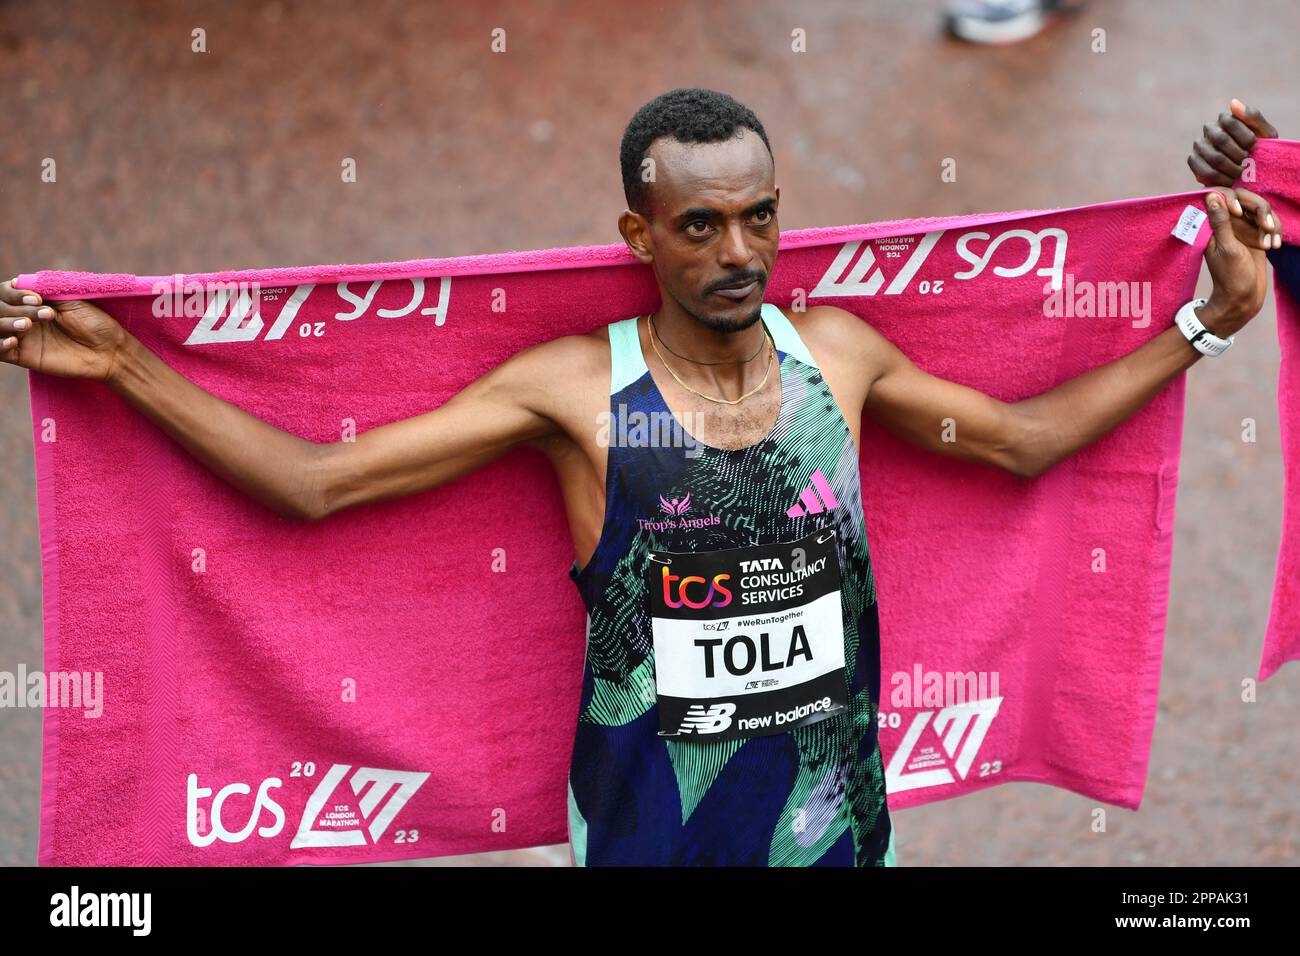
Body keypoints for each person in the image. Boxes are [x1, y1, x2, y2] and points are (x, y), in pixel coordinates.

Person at [0, 89, 1282, 867]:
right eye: (701, 225)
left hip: (832, 833)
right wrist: (123, 365)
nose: (741, 251)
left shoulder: (837, 355)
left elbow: (1023, 442)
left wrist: (1204, 324)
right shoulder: (570, 390)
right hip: (649, 834)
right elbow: (314, 485)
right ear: (639, 233)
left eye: (761, 216)